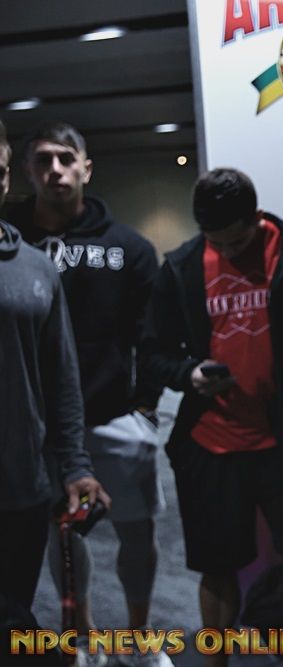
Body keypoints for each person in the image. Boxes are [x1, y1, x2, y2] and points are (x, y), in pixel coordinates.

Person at [143, 168, 283, 667]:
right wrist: (189, 374)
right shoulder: (183, 268)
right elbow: (151, 354)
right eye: (216, 241)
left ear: (256, 217)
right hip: (211, 442)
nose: (227, 251)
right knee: (217, 568)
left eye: (237, 240)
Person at [4, 121, 164, 665]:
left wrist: (144, 408)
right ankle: (84, 636)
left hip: (113, 416)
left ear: (86, 169)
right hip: (36, 428)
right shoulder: (11, 243)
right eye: (43, 160)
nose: (55, 170)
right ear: (25, 172)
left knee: (136, 533)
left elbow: (153, 335)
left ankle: (139, 638)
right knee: (64, 540)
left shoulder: (128, 248)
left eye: (66, 159)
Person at [0, 119, 109, 624]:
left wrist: (77, 466)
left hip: (21, 486)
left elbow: (61, 380)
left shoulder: (35, 267)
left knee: (14, 617)